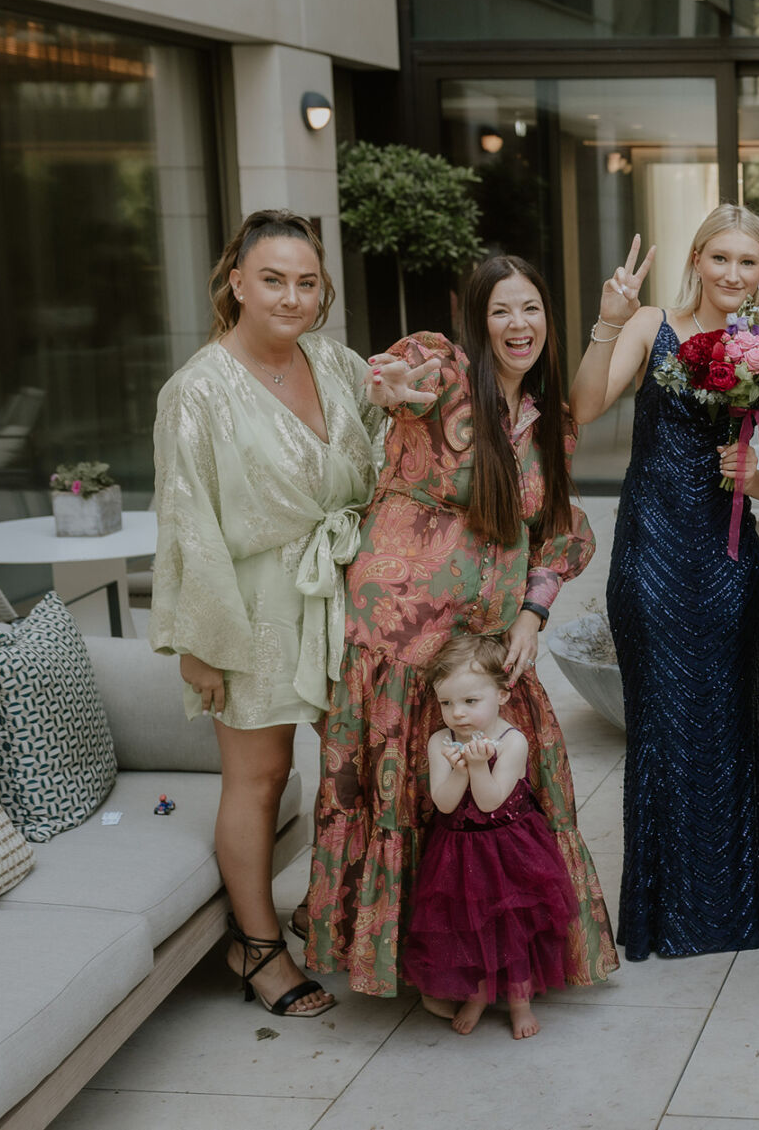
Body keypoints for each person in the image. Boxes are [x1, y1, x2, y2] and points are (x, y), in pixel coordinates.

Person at [305, 254, 619, 1001]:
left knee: (491, 792)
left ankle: (483, 956)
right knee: (405, 794)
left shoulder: (548, 422)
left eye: (532, 309)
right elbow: (390, 374)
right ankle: (406, 962)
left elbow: (555, 535)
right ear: (476, 320)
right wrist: (387, 387)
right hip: (399, 638)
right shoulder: (442, 370)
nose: (519, 325)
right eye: (502, 310)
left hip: (484, 639)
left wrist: (536, 614)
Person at [152, 209, 434, 1017]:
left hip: (348, 588)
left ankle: (353, 918)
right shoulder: (196, 391)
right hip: (253, 605)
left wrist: (399, 403)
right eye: (272, 279)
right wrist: (197, 643)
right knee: (261, 775)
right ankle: (259, 946)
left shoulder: (333, 359)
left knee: (363, 763)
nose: (292, 296)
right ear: (235, 282)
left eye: (307, 282)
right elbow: (183, 521)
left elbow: (380, 448)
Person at [570, 206, 759, 960]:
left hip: (726, 557)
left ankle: (728, 906)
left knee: (725, 723)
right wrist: (606, 322)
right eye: (720, 257)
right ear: (696, 258)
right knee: (661, 721)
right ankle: (663, 912)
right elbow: (587, 405)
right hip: (652, 547)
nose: (732, 273)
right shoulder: (651, 323)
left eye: (747, 262)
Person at [405, 635, 582, 1039]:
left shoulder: (512, 741)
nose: (457, 713)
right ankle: (478, 994)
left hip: (509, 850)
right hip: (458, 849)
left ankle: (520, 1003)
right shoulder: (439, 741)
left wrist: (478, 767)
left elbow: (489, 802)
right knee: (467, 928)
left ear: (502, 694)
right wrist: (462, 769)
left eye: (470, 701)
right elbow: (445, 804)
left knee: (513, 929)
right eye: (446, 703)